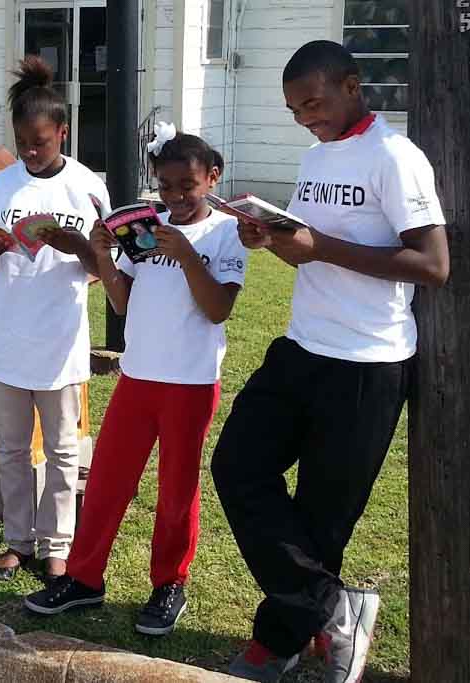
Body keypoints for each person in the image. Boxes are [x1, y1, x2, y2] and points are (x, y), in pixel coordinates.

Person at [210, 41, 449, 683]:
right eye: (293, 110)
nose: (304, 120)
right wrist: (268, 237)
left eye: (311, 103)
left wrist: (320, 245)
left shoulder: (395, 158)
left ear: (352, 85)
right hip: (301, 346)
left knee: (322, 517)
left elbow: (433, 264)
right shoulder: (317, 157)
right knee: (236, 466)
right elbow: (303, 248)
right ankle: (335, 609)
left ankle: (280, 641)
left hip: (367, 362)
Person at [24, 126, 248, 636]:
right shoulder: (145, 229)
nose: (175, 197)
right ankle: (83, 579)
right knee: (106, 481)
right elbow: (124, 304)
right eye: (165, 186)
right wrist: (104, 255)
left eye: (186, 186)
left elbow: (218, 309)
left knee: (176, 490)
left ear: (213, 177)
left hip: (190, 382)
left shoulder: (226, 232)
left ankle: (170, 583)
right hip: (138, 375)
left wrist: (187, 255)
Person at [0, 54, 109, 583]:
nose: (30, 151)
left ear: (63, 133)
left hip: (59, 335)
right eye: (23, 142)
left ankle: (57, 545)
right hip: (6, 332)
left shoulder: (87, 187)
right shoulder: (3, 185)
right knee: (9, 447)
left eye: (41, 142)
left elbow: (106, 265)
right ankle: (16, 539)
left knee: (60, 448)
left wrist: (77, 246)